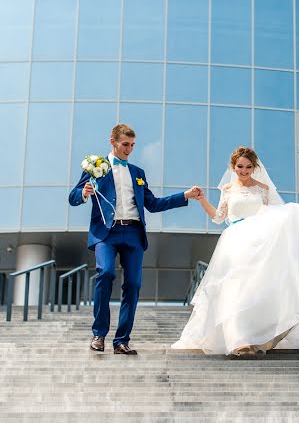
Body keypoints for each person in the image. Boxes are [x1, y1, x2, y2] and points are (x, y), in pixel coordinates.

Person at [172, 146, 299, 356]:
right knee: (234, 288)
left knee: (255, 289)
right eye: (240, 166)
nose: (244, 171)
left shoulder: (262, 189)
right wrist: (201, 200)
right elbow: (219, 218)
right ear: (233, 166)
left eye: (248, 167)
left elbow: (271, 216)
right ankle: (238, 341)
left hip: (259, 244)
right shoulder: (227, 189)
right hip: (235, 241)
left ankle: (254, 338)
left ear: (254, 167)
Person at [69, 123, 201, 355]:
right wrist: (83, 193)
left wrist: (185, 196)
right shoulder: (96, 167)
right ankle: (99, 333)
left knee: (133, 285)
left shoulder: (138, 173)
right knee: (106, 272)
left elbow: (153, 203)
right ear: (112, 141)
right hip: (106, 233)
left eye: (132, 145)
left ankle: (121, 340)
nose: (129, 149)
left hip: (133, 233)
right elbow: (72, 197)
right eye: (125, 144)